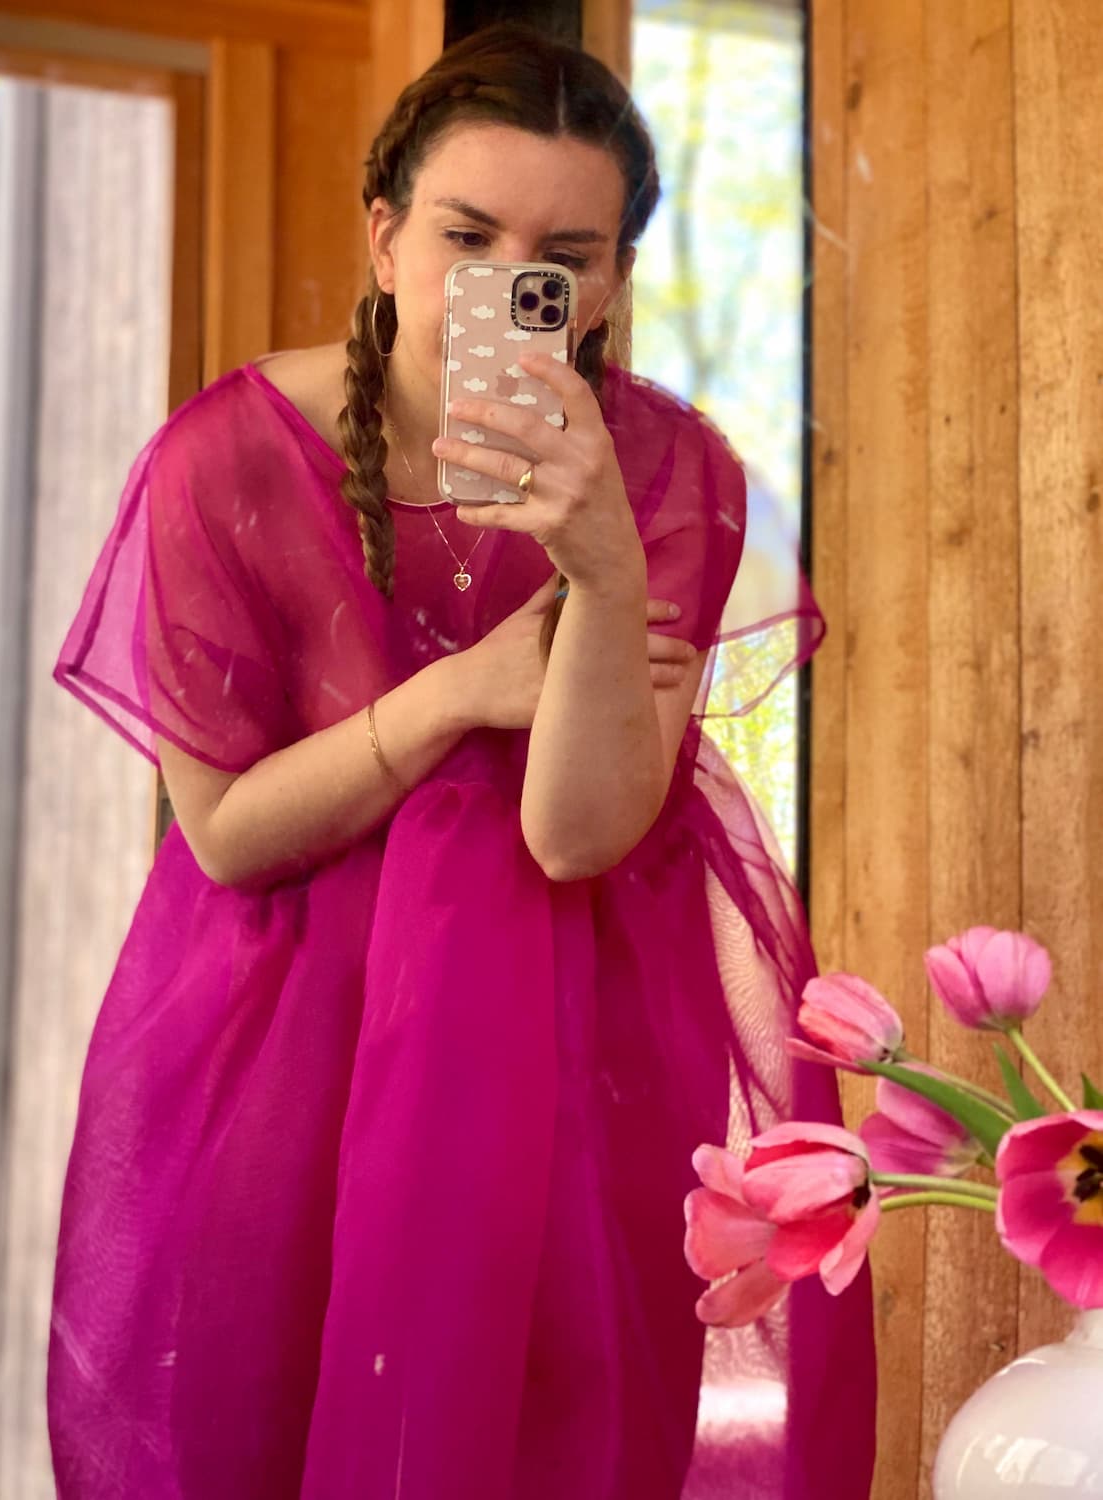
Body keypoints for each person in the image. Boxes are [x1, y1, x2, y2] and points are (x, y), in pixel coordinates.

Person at [47, 23, 874, 1500]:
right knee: (264, 1424)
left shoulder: (675, 472)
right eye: (463, 234)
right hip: (290, 1046)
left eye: (559, 251)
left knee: (559, 1442)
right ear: (383, 237)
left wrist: (606, 569)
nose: (503, 282)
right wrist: (459, 697)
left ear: (608, 281)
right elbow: (227, 831)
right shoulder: (223, 462)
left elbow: (574, 836)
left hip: (578, 1050)